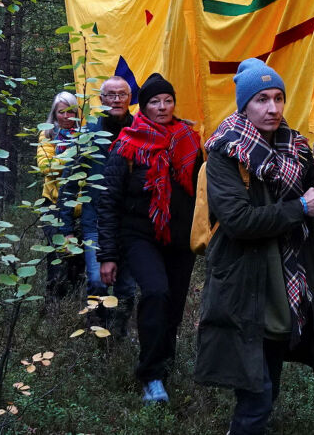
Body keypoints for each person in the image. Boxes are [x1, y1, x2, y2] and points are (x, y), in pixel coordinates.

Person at [194, 58, 314, 435]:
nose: (273, 108)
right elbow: (239, 221)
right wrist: (299, 207)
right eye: (262, 99)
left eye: (278, 98)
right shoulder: (226, 153)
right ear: (245, 105)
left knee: (268, 384)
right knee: (255, 392)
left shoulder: (297, 149)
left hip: (286, 279)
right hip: (244, 278)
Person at [97, 73, 202, 403]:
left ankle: (164, 368)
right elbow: (109, 201)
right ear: (143, 106)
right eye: (155, 101)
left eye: (168, 100)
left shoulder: (189, 138)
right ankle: (151, 376)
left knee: (172, 307)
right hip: (139, 236)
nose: (162, 106)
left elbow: (203, 190)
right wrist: (108, 255)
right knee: (156, 293)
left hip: (180, 239)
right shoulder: (127, 144)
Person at [55, 75, 137, 334]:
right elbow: (68, 184)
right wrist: (66, 229)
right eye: (110, 95)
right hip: (96, 223)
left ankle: (119, 337)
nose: (116, 99)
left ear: (129, 98)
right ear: (101, 100)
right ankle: (97, 330)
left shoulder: (140, 131)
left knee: (125, 288)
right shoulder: (87, 135)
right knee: (96, 281)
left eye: (121, 94)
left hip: (131, 224)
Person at [37, 91, 82, 300]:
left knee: (77, 259)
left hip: (80, 207)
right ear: (54, 114)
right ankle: (53, 304)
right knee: (58, 254)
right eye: (61, 112)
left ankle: (72, 307)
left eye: (70, 111)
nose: (66, 116)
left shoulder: (85, 134)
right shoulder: (47, 134)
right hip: (52, 205)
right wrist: (75, 158)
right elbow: (45, 166)